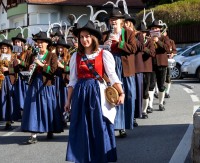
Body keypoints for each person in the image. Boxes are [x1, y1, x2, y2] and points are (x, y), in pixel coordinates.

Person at [65, 20, 124, 163]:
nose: (84, 40)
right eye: (81, 37)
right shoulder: (75, 56)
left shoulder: (104, 54)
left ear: (94, 38)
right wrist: (68, 101)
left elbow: (112, 75)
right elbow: (72, 81)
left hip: (98, 94)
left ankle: (101, 158)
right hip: (80, 95)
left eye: (87, 36)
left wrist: (121, 93)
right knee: (82, 128)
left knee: (99, 126)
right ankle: (84, 158)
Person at [21, 31, 62, 143]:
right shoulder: (33, 56)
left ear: (47, 44)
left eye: (41, 42)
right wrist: (30, 69)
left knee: (47, 107)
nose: (39, 44)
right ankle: (33, 135)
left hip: (46, 85)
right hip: (35, 83)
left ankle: (50, 129)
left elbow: (53, 70)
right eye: (38, 42)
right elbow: (28, 68)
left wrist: (41, 65)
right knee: (33, 108)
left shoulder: (52, 55)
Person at [103, 7, 137, 137]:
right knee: (112, 95)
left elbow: (133, 49)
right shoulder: (105, 35)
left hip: (125, 67)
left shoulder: (129, 33)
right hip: (111, 66)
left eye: (116, 19)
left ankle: (124, 125)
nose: (113, 21)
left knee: (127, 95)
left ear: (121, 21)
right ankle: (114, 124)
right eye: (111, 19)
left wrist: (119, 43)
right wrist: (105, 45)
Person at [0, 39, 21, 132]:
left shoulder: (12, 58)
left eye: (5, 48)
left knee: (8, 101)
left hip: (8, 81)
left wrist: (8, 69)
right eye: (2, 48)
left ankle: (8, 121)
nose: (3, 50)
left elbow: (17, 70)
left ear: (8, 49)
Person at [148, 19, 170, 111]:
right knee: (151, 85)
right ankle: (150, 105)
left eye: (156, 28)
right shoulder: (149, 39)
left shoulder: (164, 38)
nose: (154, 30)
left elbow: (167, 49)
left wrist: (157, 41)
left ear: (160, 30)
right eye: (153, 28)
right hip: (151, 64)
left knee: (161, 85)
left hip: (162, 64)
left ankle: (161, 103)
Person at [137, 19, 155, 119]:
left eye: (143, 32)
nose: (142, 34)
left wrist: (143, 48)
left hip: (147, 69)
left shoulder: (150, 41)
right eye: (140, 32)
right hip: (137, 68)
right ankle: (138, 110)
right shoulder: (135, 41)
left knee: (145, 90)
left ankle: (144, 110)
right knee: (137, 90)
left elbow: (152, 53)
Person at [11, 33, 30, 118]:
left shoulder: (27, 53)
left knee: (25, 96)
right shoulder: (12, 53)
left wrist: (20, 62)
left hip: (24, 78)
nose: (17, 44)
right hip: (15, 77)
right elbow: (11, 68)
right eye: (15, 42)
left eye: (18, 42)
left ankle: (25, 113)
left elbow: (29, 65)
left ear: (22, 43)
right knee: (16, 97)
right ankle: (18, 114)